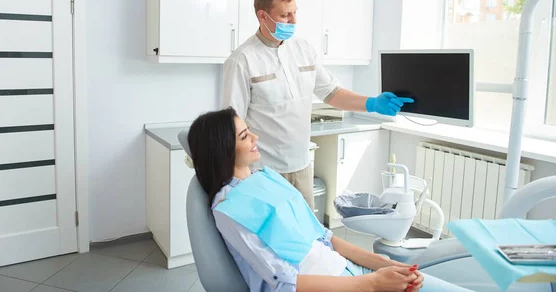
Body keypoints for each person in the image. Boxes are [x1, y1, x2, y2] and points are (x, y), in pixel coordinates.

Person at [187, 108, 472, 292]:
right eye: (245, 135)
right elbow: (282, 282)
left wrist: (384, 266)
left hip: (350, 273)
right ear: (224, 148)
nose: (256, 137)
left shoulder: (266, 177)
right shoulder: (229, 209)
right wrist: (371, 284)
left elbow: (326, 238)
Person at [223, 0, 413, 208]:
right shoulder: (242, 60)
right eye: (285, 15)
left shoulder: (304, 50)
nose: (294, 21)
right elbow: (233, 124)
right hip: (263, 170)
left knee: (308, 235)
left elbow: (332, 93)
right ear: (263, 16)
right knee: (272, 238)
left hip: (302, 165)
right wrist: (241, 173)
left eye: (295, 13)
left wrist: (371, 103)